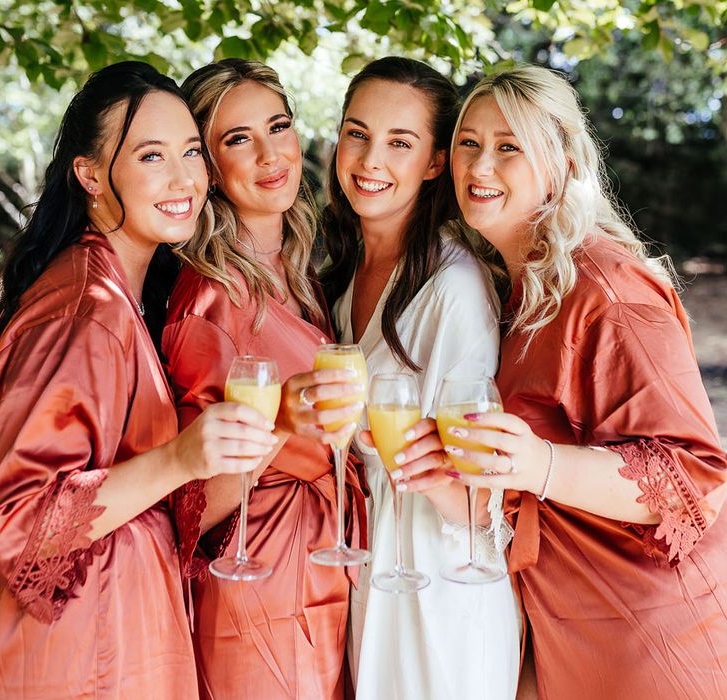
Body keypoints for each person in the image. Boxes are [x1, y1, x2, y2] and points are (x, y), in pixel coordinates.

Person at [0, 61, 278, 698]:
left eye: (191, 150)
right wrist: (180, 456)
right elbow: (18, 528)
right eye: (151, 155)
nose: (185, 176)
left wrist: (259, 442)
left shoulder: (119, 292)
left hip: (115, 637)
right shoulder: (86, 311)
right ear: (91, 174)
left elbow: (144, 506)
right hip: (76, 661)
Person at [446, 64, 727, 698]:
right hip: (568, 632)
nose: (480, 165)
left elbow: (691, 480)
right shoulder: (518, 290)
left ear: (564, 162)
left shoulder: (606, 286)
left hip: (649, 636)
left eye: (509, 146)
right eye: (469, 142)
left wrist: (539, 462)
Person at [162, 58, 367, 700]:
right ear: (207, 166)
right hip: (263, 577)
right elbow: (192, 508)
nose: (269, 154)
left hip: (324, 563)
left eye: (276, 126)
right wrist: (278, 424)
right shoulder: (210, 302)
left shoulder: (301, 270)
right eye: (237, 139)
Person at [320, 56, 521, 700]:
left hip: (437, 582)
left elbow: (483, 484)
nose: (370, 158)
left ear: (435, 162)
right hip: (370, 563)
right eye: (358, 133)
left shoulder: (453, 287)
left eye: (400, 143)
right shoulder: (339, 278)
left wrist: (423, 474)